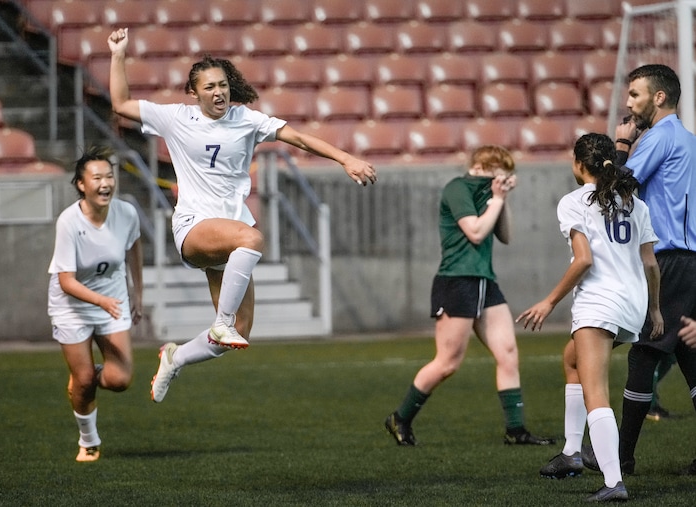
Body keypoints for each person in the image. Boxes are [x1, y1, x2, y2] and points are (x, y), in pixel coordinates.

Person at [107, 28, 377, 403]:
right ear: (194, 92)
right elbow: (120, 104)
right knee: (252, 240)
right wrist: (118, 55)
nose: (218, 92)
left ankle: (175, 356)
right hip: (195, 229)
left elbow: (298, 138)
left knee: (241, 331)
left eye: (222, 85)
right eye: (209, 87)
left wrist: (346, 158)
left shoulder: (246, 119)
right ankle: (221, 324)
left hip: (228, 232)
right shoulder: (176, 118)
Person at [518, 133, 662, 502]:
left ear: (580, 165)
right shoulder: (635, 202)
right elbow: (650, 263)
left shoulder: (573, 201)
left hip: (600, 302)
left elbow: (584, 260)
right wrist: (656, 309)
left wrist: (548, 301)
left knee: (595, 389)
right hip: (632, 302)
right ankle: (571, 453)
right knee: (571, 360)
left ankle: (613, 480)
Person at [384, 145, 554, 448]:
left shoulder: (488, 194)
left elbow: (505, 235)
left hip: (484, 281)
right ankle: (401, 417)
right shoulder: (458, 188)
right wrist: (498, 199)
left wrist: (503, 200)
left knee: (508, 353)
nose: (505, 177)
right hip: (457, 281)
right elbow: (475, 231)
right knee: (448, 363)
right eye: (501, 170)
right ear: (485, 167)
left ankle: (515, 431)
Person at [613, 64, 696, 476]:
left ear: (658, 97)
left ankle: (617, 456)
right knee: (689, 355)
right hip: (687, 260)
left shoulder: (659, 138)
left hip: (668, 260)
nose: (628, 104)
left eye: (634, 95)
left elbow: (615, 189)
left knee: (644, 352)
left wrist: (622, 145)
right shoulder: (688, 139)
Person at [48, 145, 144, 462]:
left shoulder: (126, 213)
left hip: (111, 301)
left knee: (120, 380)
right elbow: (66, 281)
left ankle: (83, 377)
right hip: (72, 305)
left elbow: (133, 247)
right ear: (81, 184)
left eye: (109, 176)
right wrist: (100, 300)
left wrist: (137, 293)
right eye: (96, 177)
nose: (105, 183)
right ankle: (88, 441)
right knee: (85, 380)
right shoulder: (68, 222)